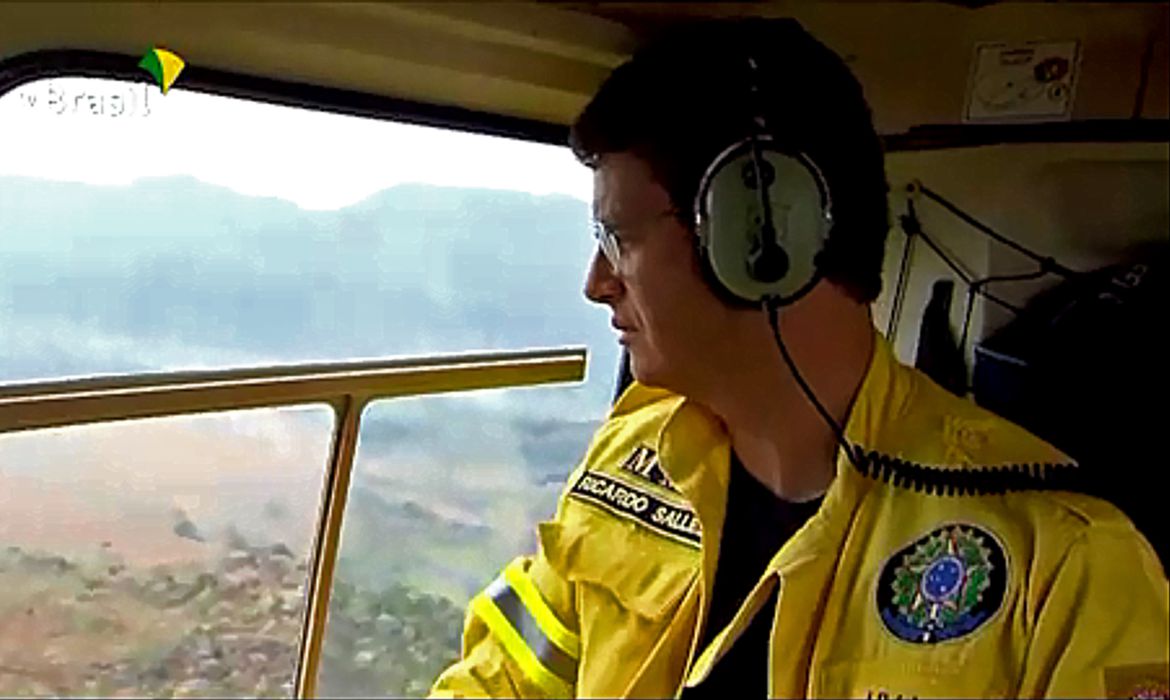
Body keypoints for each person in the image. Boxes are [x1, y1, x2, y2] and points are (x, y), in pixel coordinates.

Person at [431, 18, 1169, 699]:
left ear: (757, 238)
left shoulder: (1067, 562)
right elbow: (508, 680)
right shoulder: (631, 455)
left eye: (617, 237)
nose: (596, 284)